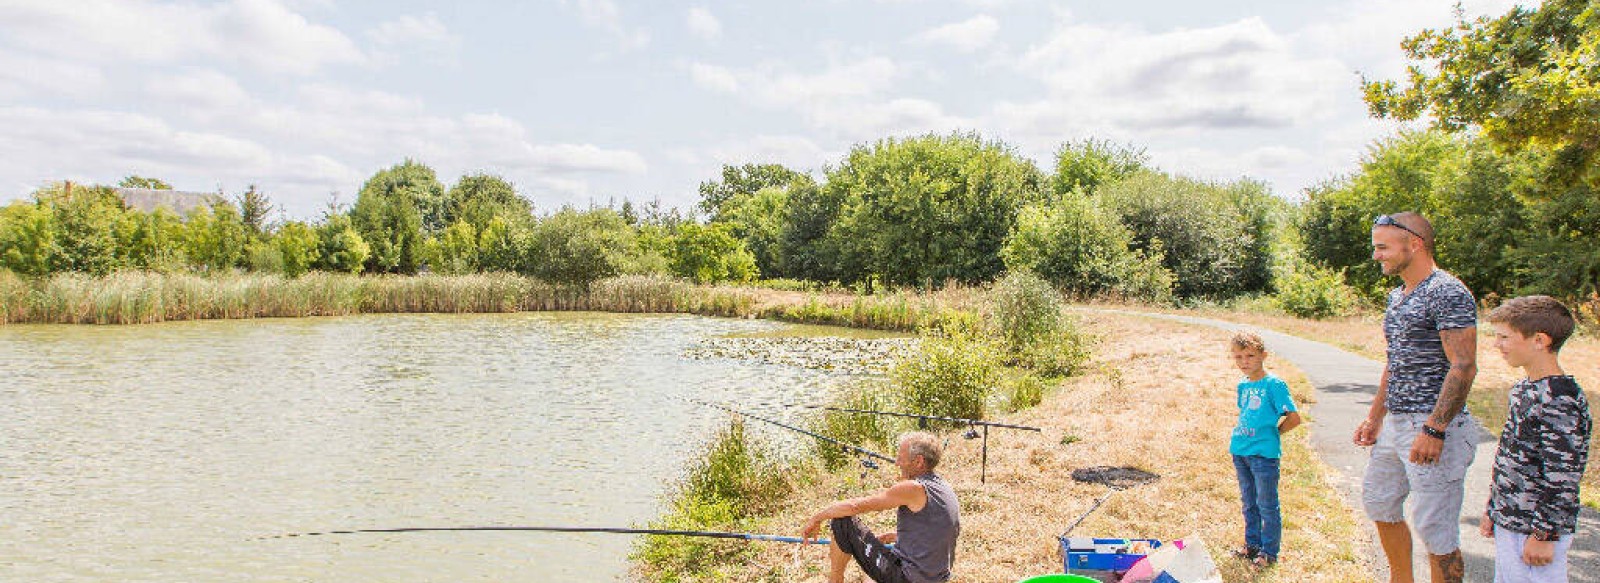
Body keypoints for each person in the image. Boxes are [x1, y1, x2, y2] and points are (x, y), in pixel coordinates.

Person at [1353, 212, 1480, 583]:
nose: (1376, 255)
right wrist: (1375, 416)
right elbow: (1396, 361)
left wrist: (1435, 428)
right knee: (1379, 502)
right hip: (1395, 424)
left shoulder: (1447, 291)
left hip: (1432, 425)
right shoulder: (1398, 296)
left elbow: (1464, 365)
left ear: (1415, 244)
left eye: (1383, 247)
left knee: (1435, 528)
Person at [1478, 296, 1591, 583]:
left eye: (1504, 337)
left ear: (1539, 340)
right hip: (1512, 520)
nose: (1496, 344)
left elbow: (1563, 475)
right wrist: (1495, 508)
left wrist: (1545, 534)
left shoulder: (1558, 400)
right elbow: (1510, 457)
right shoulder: (1526, 390)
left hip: (1535, 530)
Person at [800, 431, 960, 583]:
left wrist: (816, 518)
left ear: (918, 461)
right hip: (936, 578)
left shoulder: (913, 488)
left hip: (907, 578)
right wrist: (900, 536)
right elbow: (942, 532)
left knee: (842, 522)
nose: (897, 463)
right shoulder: (943, 487)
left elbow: (854, 506)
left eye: (900, 458)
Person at [1226, 332, 1302, 568]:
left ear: (1263, 356)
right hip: (1240, 450)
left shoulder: (1274, 384)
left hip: (1263, 455)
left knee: (1266, 503)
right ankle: (1252, 545)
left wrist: (1273, 434)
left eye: (1250, 355)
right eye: (1238, 357)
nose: (1244, 361)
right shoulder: (1243, 385)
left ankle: (1269, 551)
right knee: (1249, 502)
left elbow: (1294, 418)